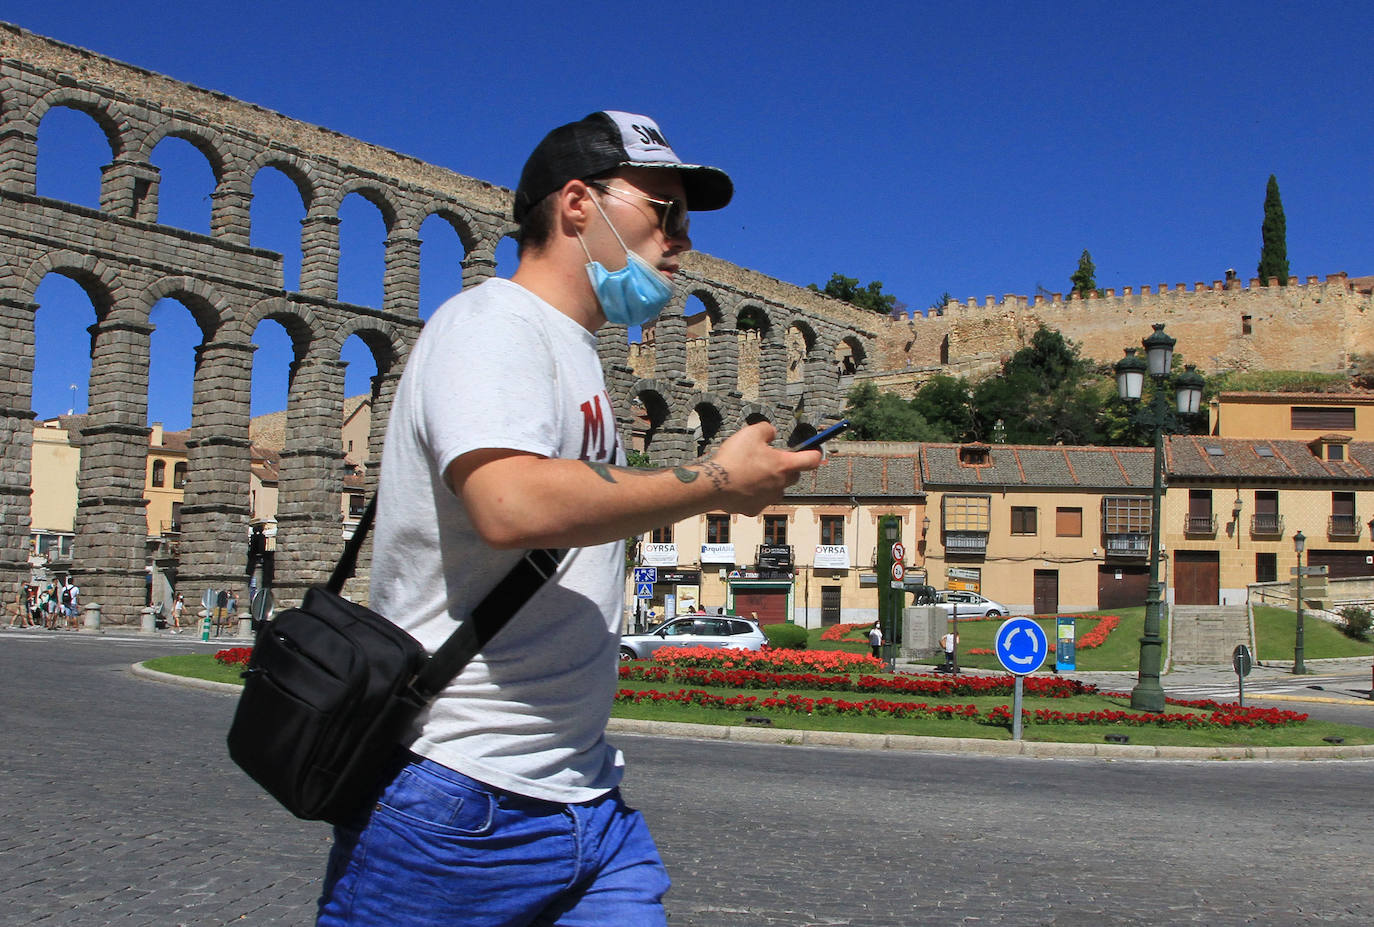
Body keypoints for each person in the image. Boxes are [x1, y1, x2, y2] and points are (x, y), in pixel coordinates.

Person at [315, 110, 822, 927]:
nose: (681, 241)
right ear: (578, 203)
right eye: (664, 212)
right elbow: (510, 503)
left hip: (586, 799)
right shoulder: (490, 325)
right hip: (461, 795)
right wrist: (715, 478)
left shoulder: (574, 350)